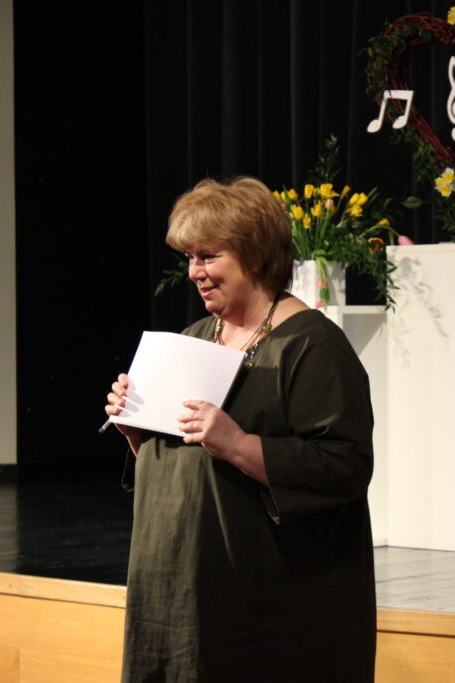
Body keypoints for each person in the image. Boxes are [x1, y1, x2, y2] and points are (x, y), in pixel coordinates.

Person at [104, 177, 376, 682]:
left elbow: (345, 465)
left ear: (254, 254)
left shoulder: (311, 346)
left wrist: (240, 444)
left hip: (268, 603)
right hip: (178, 589)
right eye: (190, 257)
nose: (195, 272)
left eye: (209, 256)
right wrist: (136, 431)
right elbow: (182, 468)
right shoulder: (193, 338)